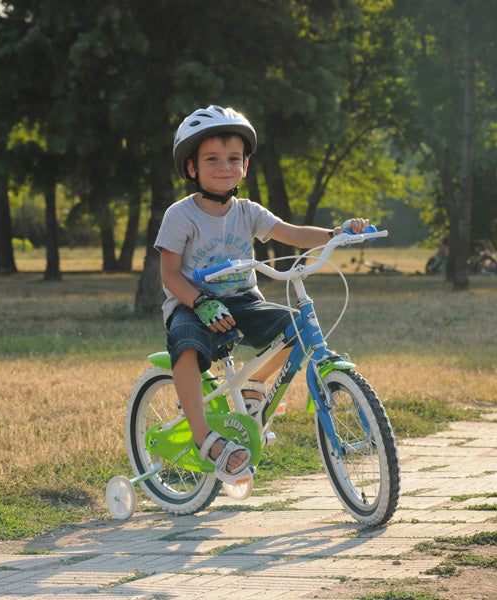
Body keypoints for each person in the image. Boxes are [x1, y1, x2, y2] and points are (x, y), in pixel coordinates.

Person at [154, 105, 369, 484]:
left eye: (234, 159)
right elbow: (170, 274)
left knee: (297, 326)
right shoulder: (180, 215)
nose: (224, 167)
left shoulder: (248, 211)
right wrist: (201, 302)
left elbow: (295, 234)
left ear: (245, 167)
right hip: (194, 302)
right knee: (186, 345)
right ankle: (204, 436)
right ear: (192, 168)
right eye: (212, 159)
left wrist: (337, 234)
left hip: (242, 300)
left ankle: (255, 384)